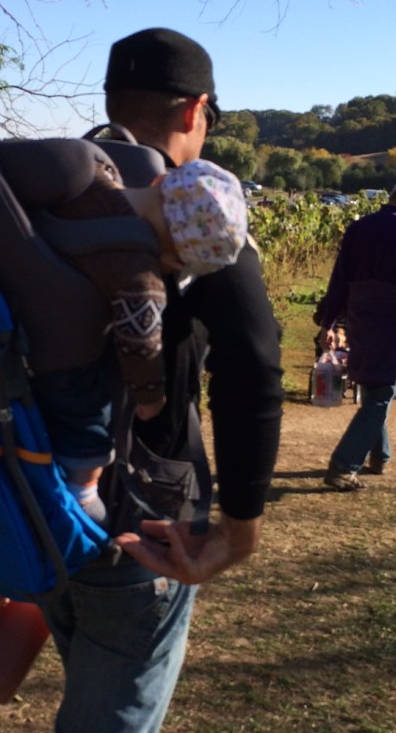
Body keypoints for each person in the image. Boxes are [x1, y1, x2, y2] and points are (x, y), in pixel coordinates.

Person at [0, 27, 283, 733]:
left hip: (28, 505)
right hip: (144, 528)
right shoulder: (187, 203)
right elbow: (254, 359)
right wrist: (240, 525)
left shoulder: (28, 196)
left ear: (110, 101)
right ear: (196, 111)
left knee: (115, 710)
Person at [36, 157, 248, 522]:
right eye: (178, 263)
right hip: (61, 360)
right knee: (92, 411)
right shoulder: (141, 277)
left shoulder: (89, 177)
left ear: (159, 182)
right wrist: (151, 397)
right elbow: (140, 345)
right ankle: (83, 491)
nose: (172, 269)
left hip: (18, 303)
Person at [314, 176, 396, 492]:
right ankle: (343, 465)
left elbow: (339, 279)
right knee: (382, 394)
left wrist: (329, 322)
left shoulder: (358, 228)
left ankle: (380, 456)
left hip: (359, 320)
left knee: (373, 389)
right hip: (394, 323)